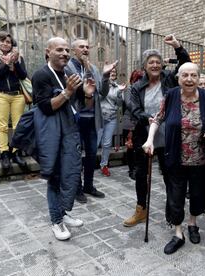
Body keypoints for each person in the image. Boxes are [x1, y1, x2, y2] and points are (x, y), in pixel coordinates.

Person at [142, 62, 205, 254]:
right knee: (175, 196)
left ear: (199, 78)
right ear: (178, 78)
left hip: (201, 158)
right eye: (185, 75)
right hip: (175, 157)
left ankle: (193, 224)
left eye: (193, 75)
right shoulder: (171, 96)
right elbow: (157, 118)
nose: (189, 79)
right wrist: (150, 140)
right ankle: (178, 233)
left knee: (197, 193)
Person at [123, 34, 191, 227]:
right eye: (151, 62)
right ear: (145, 66)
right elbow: (134, 109)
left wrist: (178, 46)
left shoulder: (170, 78)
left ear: (162, 65)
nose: (154, 65)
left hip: (167, 136)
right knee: (141, 175)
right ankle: (141, 210)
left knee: (170, 175)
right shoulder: (137, 87)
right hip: (145, 136)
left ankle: (172, 213)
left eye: (158, 62)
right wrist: (148, 118)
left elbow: (186, 65)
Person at [32, 37, 85, 240]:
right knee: (54, 177)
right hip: (52, 135)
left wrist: (86, 94)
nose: (65, 53)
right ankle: (56, 221)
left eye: (66, 50)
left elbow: (80, 103)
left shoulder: (67, 73)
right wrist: (68, 91)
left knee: (68, 174)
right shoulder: (41, 75)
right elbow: (46, 106)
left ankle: (63, 213)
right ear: (48, 52)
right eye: (59, 49)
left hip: (69, 132)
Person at [65, 38, 117, 203]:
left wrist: (106, 76)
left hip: (93, 119)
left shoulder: (94, 68)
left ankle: (89, 185)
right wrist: (87, 71)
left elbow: (102, 92)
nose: (86, 49)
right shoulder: (67, 68)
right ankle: (77, 188)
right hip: (75, 119)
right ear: (74, 50)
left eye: (87, 47)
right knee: (76, 156)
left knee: (92, 154)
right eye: (81, 47)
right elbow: (78, 91)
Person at [0, 31, 27, 170]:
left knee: (18, 126)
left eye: (8, 41)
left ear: (11, 44)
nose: (5, 43)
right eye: (1, 40)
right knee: (2, 126)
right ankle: (4, 154)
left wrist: (14, 63)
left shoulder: (18, 55)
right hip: (0, 95)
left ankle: (16, 152)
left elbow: (23, 75)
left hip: (17, 96)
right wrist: (5, 64)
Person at [97, 68, 126, 176]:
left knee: (107, 143)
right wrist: (106, 87)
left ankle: (104, 165)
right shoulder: (100, 85)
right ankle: (88, 164)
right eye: (110, 72)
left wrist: (119, 92)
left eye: (114, 73)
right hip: (99, 118)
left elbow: (119, 104)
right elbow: (98, 99)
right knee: (96, 142)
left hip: (111, 118)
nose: (112, 74)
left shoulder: (118, 87)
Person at [122, 69, 144, 180]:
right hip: (129, 122)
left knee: (139, 148)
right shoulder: (128, 89)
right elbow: (129, 104)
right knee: (130, 147)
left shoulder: (144, 90)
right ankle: (132, 170)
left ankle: (139, 169)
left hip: (140, 122)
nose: (140, 82)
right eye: (138, 79)